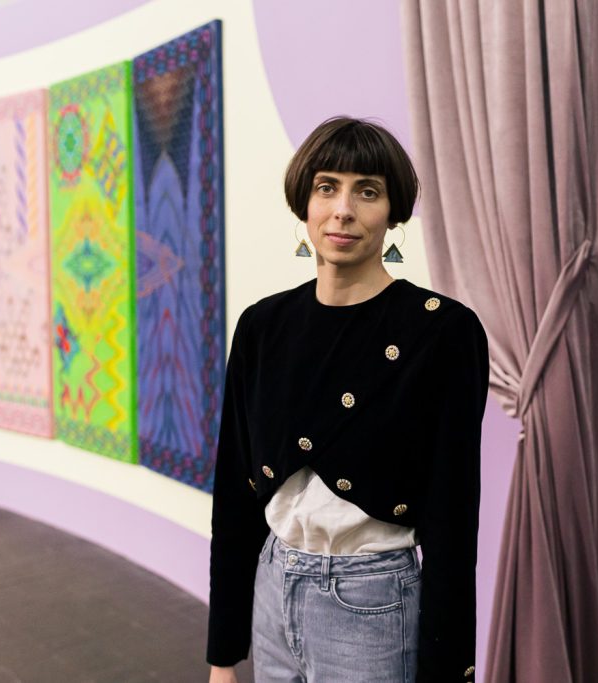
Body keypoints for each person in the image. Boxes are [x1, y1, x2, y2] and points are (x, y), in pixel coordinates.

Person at [207, 117, 489, 682]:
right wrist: (223, 654)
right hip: (272, 583)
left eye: (367, 191)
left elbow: (454, 514)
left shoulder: (442, 332)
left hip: (373, 600)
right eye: (326, 187)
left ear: (392, 212)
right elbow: (235, 495)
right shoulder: (263, 326)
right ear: (304, 204)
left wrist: (449, 665)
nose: (343, 209)